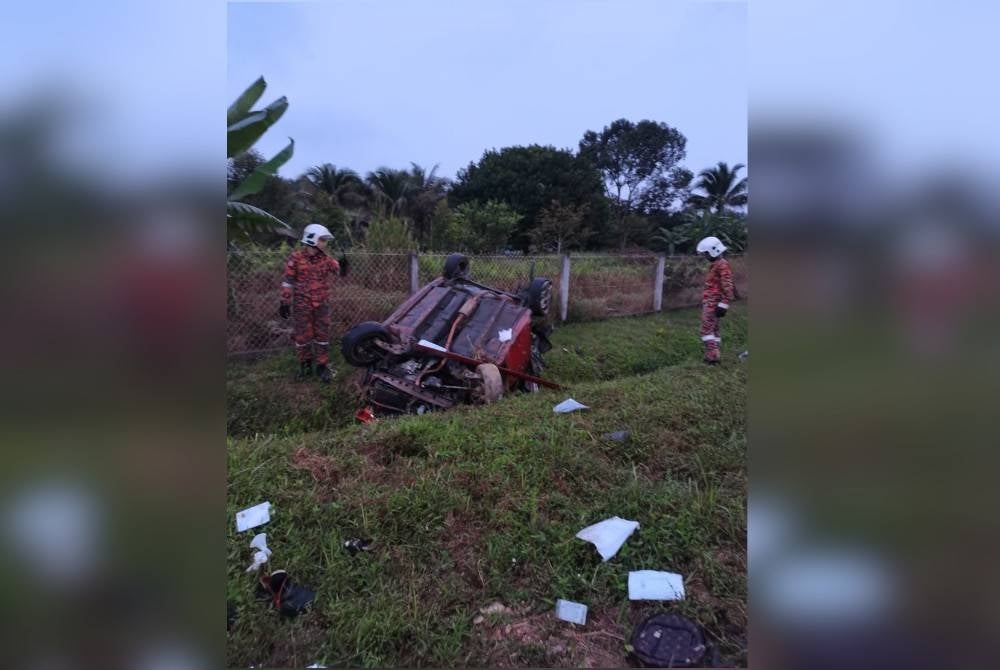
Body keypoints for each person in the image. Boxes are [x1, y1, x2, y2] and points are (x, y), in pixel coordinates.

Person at [279, 224, 341, 383]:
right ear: (312, 239)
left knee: (322, 335)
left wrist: (343, 266)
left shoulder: (326, 259)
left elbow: (338, 270)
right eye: (322, 239)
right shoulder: (296, 258)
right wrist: (285, 301)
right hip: (302, 304)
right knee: (302, 336)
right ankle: (305, 365)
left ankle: (322, 365)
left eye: (325, 240)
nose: (325, 243)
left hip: (322, 304)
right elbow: (288, 280)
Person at [696, 236, 735, 365]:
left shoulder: (722, 265)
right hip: (713, 302)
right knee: (714, 329)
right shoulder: (716, 264)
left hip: (713, 303)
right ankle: (715, 353)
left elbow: (727, 286)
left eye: (706, 253)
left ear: (713, 251)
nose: (705, 256)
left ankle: (712, 357)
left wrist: (724, 304)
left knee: (706, 330)